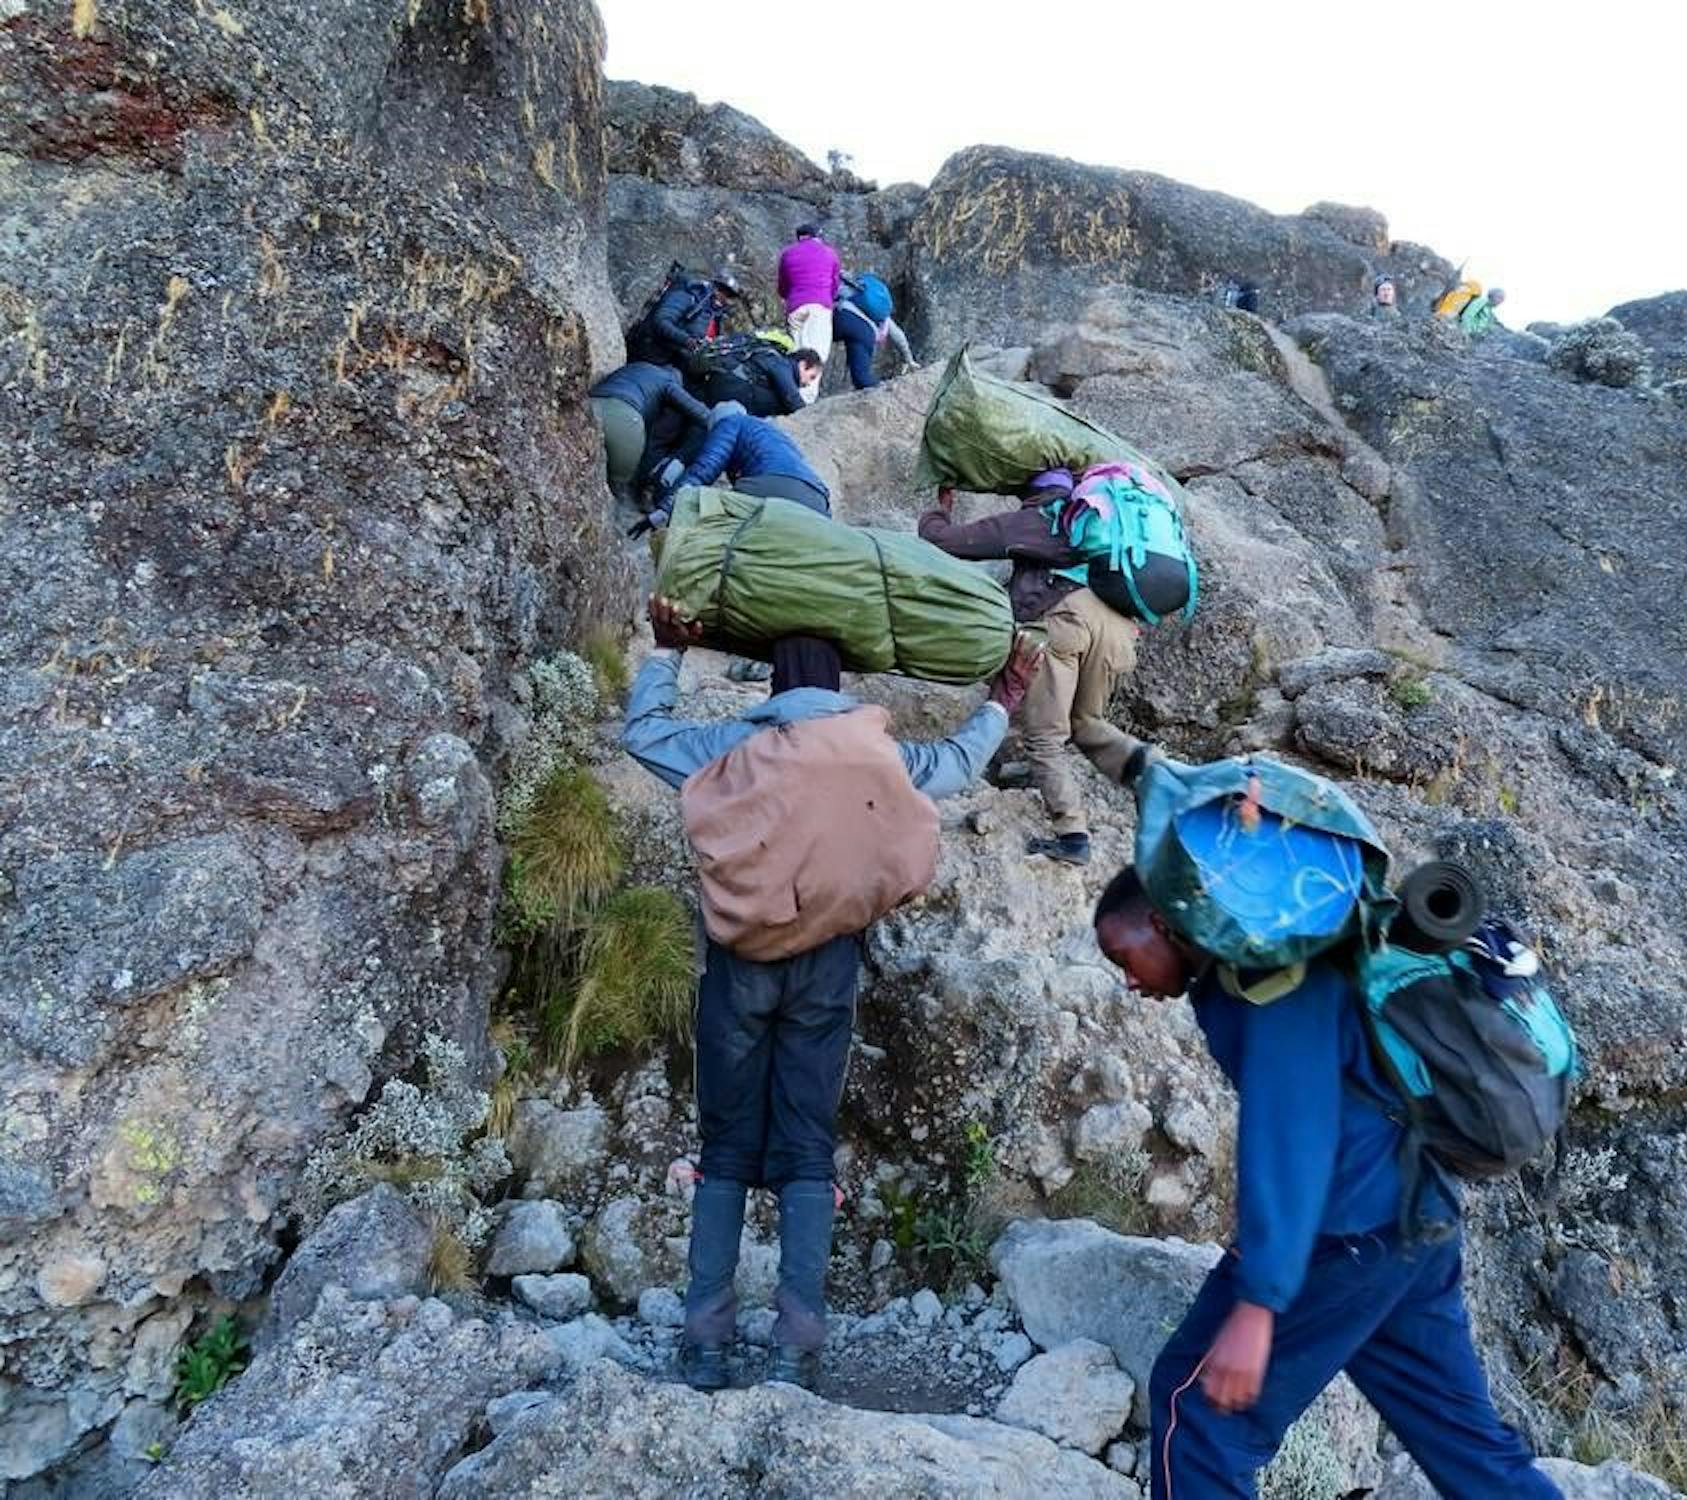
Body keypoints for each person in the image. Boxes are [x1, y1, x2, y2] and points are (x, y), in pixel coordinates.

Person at [625, 602, 1044, 1391]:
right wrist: (1004, 696)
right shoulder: (877, 751)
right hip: (828, 965)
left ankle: (706, 1340)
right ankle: (798, 1345)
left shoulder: (737, 743)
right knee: (808, 1147)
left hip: (740, 964)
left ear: (777, 681)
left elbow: (642, 734)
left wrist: (666, 653)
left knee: (724, 1149)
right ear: (838, 684)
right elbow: (958, 763)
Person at [1091, 865, 1565, 1500]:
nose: (1127, 978)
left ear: (1159, 922)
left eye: (1123, 955)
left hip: (1346, 1231)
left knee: (1198, 1414)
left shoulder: (1264, 978)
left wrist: (1259, 1302)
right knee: (1462, 1438)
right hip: (1415, 1216)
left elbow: (1294, 1134)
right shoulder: (1267, 954)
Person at [918, 470, 1139, 867]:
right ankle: (1153, 778)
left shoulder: (1039, 516)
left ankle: (1072, 835)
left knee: (1045, 737)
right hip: (1119, 626)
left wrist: (941, 509)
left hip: (1066, 620)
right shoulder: (1096, 516)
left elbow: (941, 541)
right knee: (1088, 723)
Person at [631, 411, 831, 535]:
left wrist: (662, 512)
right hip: (819, 499)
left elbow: (701, 474)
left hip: (771, 485)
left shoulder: (729, 423)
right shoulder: (774, 434)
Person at [587, 360, 712, 504]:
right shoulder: (668, 381)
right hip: (624, 419)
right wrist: (720, 419)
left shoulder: (637, 366)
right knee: (617, 489)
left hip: (591, 405)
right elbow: (698, 411)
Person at [631, 268, 746, 369]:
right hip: (649, 354)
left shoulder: (715, 314)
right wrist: (687, 340)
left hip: (674, 363)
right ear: (714, 286)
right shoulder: (689, 295)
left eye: (729, 295)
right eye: (722, 290)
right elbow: (661, 320)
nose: (724, 297)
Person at [692, 340, 823, 419]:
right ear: (803, 364)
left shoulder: (778, 363)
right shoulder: (782, 365)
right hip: (728, 391)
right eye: (811, 376)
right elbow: (791, 398)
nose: (808, 383)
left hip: (724, 392)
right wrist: (810, 415)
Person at [831, 275, 917, 391]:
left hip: (840, 317)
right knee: (862, 379)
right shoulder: (881, 313)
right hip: (864, 332)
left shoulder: (852, 288)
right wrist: (909, 360)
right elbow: (899, 336)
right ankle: (882, 392)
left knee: (812, 349)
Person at [777, 224, 841, 366]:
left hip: (795, 308)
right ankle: (810, 388)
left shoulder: (787, 254)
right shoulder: (829, 253)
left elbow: (782, 287)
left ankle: (795, 387)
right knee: (817, 356)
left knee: (797, 355)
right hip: (820, 306)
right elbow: (835, 286)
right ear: (818, 236)